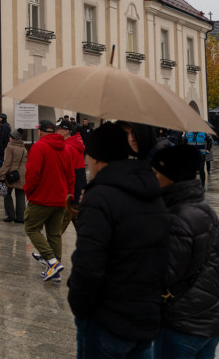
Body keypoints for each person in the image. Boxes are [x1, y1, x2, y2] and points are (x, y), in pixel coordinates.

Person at [69, 122, 171, 358]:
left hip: (107, 319)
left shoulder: (100, 197)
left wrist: (80, 307)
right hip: (146, 316)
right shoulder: (151, 189)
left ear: (96, 159)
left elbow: (88, 265)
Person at [150, 145, 219, 358]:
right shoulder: (203, 208)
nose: (153, 178)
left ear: (171, 177)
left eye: (156, 173)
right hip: (209, 318)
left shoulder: (177, 217)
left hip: (182, 324)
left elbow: (165, 274)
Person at [24, 119, 75, 282]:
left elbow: (32, 174)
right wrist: (69, 195)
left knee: (31, 228)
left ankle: (52, 262)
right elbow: (71, 176)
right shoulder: (65, 149)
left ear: (40, 132)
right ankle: (55, 270)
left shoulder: (39, 147)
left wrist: (29, 192)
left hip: (41, 198)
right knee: (55, 233)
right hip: (60, 199)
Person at [0, 128, 27, 223]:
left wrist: (2, 176)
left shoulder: (10, 147)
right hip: (22, 175)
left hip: (11, 175)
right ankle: (21, 217)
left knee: (6, 194)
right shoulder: (24, 148)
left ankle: (10, 215)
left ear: (13, 138)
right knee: (20, 195)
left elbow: (7, 163)